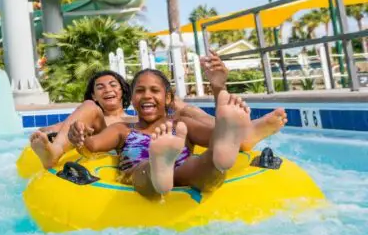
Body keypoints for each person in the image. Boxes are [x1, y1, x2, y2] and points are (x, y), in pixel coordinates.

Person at [30, 52, 287, 169]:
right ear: (94, 94)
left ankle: (242, 133)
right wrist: (64, 134)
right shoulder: (97, 114)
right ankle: (54, 154)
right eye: (100, 87)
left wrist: (218, 87)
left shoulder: (150, 116)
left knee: (185, 115)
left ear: (123, 92)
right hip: (132, 154)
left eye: (113, 84)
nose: (107, 89)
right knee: (181, 119)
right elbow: (65, 130)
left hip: (176, 141)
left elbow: (187, 114)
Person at [77, 69, 252, 198]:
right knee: (142, 170)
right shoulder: (122, 130)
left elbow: (212, 138)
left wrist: (221, 136)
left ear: (168, 98)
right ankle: (159, 164)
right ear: (132, 99)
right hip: (143, 173)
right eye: (140, 91)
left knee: (203, 163)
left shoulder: (182, 125)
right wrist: (79, 136)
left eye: (154, 90)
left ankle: (220, 156)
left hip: (180, 171)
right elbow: (92, 145)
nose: (147, 95)